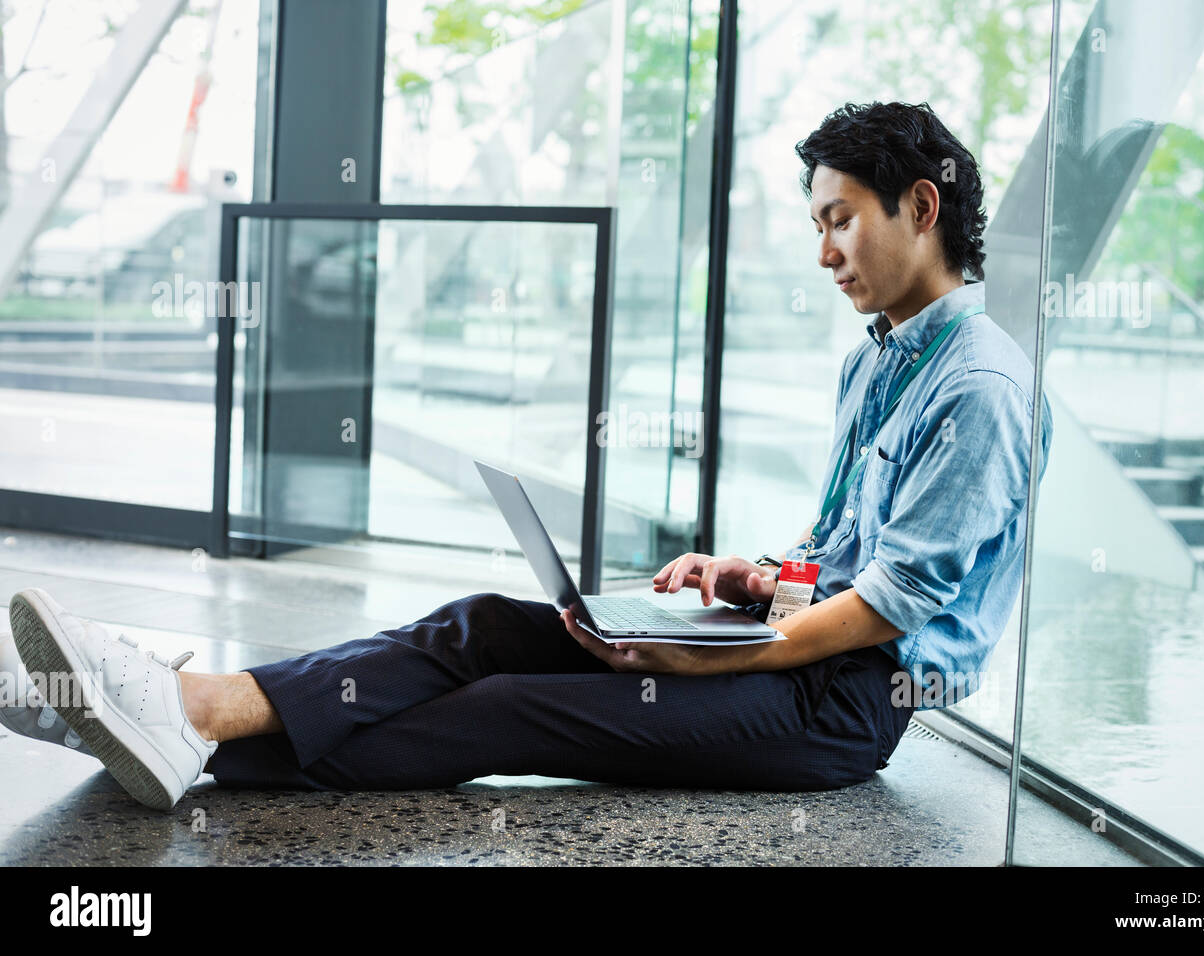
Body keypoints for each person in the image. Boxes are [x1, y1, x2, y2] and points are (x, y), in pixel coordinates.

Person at [2, 101, 1051, 811]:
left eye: (840, 221)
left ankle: (169, 730)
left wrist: (697, 654)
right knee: (485, 624)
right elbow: (837, 567)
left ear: (919, 206)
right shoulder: (881, 361)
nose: (823, 252)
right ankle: (178, 710)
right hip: (803, 643)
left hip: (845, 705)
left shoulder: (980, 388)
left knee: (506, 707)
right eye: (817, 224)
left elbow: (878, 613)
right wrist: (750, 581)